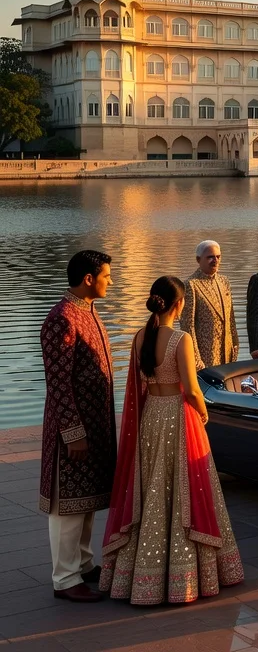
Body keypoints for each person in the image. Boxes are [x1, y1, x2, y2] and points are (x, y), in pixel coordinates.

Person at [100, 276, 243, 604]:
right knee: (185, 486)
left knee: (153, 487)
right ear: (179, 305)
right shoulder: (181, 338)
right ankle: (187, 575)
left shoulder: (139, 337)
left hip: (151, 415)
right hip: (178, 416)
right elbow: (192, 388)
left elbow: (138, 383)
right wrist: (204, 411)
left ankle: (138, 572)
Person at [40, 250, 117, 603]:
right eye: (106, 276)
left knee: (85, 501)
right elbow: (58, 383)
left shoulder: (87, 311)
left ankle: (84, 565)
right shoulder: (62, 319)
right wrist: (73, 432)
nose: (110, 281)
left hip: (94, 424)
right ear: (89, 279)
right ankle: (65, 578)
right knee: (67, 506)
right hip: (72, 432)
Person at [180, 240, 238, 367]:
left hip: (227, 354)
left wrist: (235, 345)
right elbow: (187, 326)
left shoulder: (224, 281)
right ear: (198, 259)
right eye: (210, 257)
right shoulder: (191, 285)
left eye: (218, 257)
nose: (215, 260)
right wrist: (196, 358)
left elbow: (230, 318)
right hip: (205, 357)